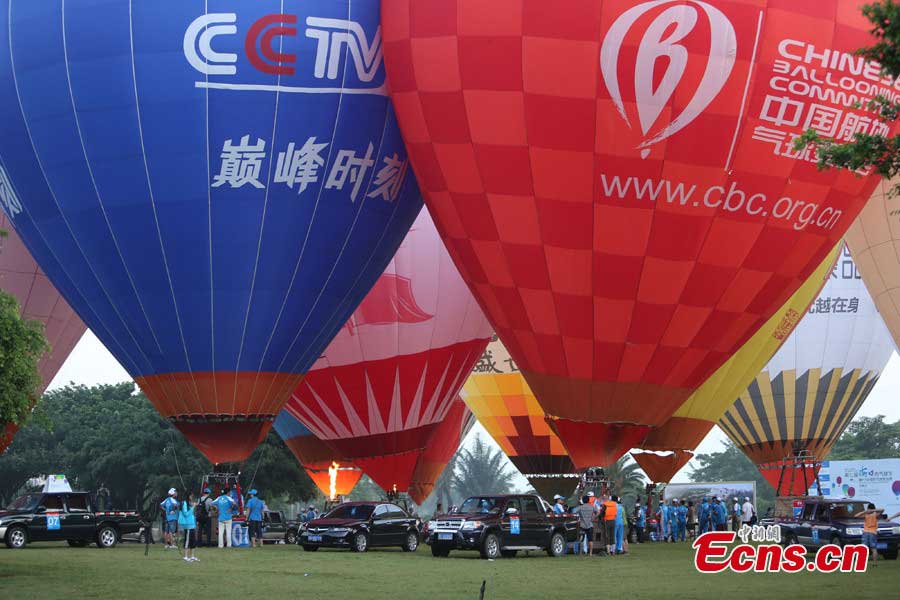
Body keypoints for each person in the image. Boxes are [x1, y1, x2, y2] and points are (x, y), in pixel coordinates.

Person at [177, 491, 199, 562]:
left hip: (192, 524)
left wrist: (193, 506)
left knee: (193, 541)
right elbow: (186, 514)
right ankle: (185, 556)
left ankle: (192, 556)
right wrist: (193, 507)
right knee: (187, 541)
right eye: (191, 496)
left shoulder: (189, 503)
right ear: (188, 496)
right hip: (187, 524)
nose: (192, 497)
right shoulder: (184, 503)